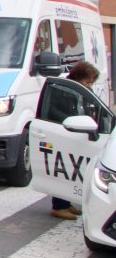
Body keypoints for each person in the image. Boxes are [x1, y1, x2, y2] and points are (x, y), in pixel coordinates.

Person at [49, 61, 100, 220]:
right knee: (62, 171)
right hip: (63, 133)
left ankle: (65, 202)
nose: (89, 85)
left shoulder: (76, 89)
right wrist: (68, 119)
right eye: (87, 81)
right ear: (78, 77)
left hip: (72, 132)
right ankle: (59, 206)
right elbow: (52, 110)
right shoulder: (62, 89)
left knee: (71, 171)